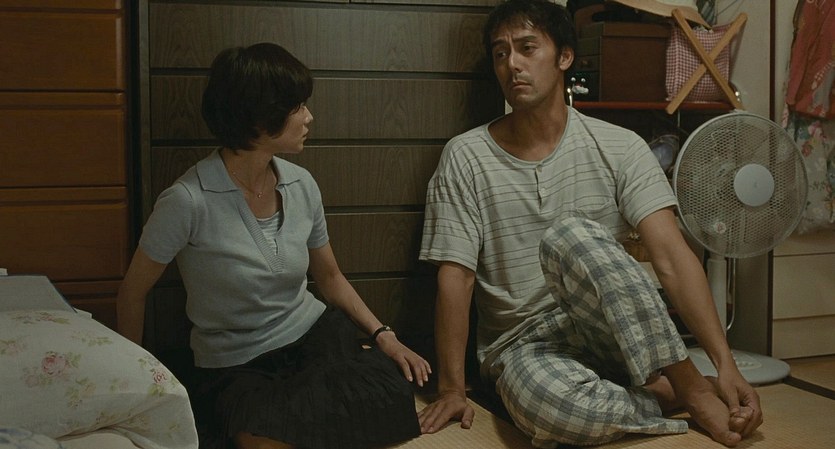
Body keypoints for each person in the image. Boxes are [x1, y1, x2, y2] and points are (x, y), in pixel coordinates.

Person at [416, 0, 762, 447]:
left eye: (527, 48)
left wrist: (726, 363)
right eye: (501, 53)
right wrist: (452, 389)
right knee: (552, 409)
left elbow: (671, 257)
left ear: (564, 56)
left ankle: (693, 387)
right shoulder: (466, 156)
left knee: (571, 234)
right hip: (525, 348)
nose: (512, 64)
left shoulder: (620, 146)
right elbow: (456, 276)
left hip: (616, 335)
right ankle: (666, 395)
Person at [117, 42, 430, 449]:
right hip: (237, 361)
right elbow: (132, 292)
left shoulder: (302, 184)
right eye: (297, 106)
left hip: (312, 338)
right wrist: (136, 383)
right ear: (259, 117)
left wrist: (384, 334)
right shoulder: (187, 200)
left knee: (392, 395)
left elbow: (330, 277)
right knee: (264, 437)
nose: (308, 117)